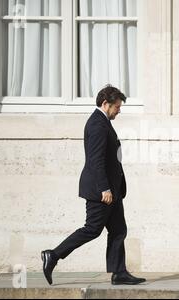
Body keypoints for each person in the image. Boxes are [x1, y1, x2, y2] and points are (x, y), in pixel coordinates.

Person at [41, 85, 146, 285]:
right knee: (92, 229)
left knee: (118, 230)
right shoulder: (97, 124)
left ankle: (119, 273)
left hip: (112, 191)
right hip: (102, 191)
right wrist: (104, 189)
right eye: (117, 107)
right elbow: (95, 160)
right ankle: (53, 256)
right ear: (105, 104)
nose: (119, 110)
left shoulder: (102, 122)